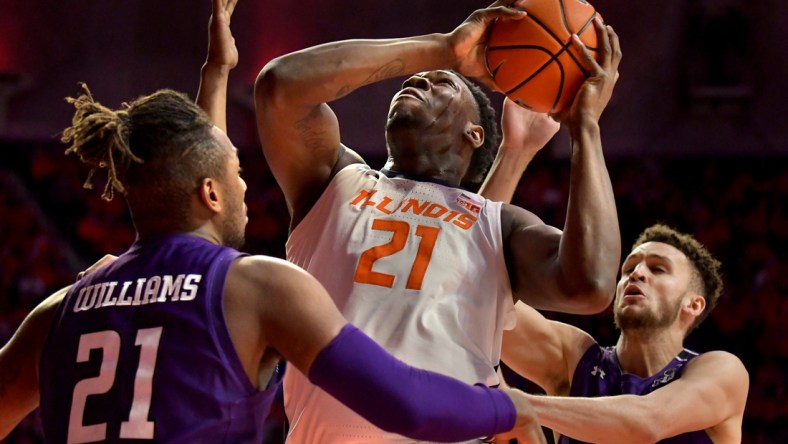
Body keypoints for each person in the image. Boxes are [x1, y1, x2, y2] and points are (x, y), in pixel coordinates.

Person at [0, 2, 550, 443]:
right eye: (238, 173)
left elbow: (197, 176)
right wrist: (509, 405)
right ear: (212, 193)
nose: (247, 186)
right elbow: (403, 401)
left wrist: (216, 74)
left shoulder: (60, 311)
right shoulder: (257, 288)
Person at [254, 0, 622, 441]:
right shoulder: (333, 183)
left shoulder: (498, 225)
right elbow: (280, 87)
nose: (417, 77)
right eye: (416, 76)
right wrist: (443, 51)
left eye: (441, 82)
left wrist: (585, 128)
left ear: (474, 133)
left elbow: (592, 284)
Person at [497, 224, 749, 443]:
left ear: (693, 304)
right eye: (628, 269)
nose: (636, 274)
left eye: (658, 269)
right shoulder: (575, 358)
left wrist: (513, 404)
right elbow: (489, 305)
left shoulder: (722, 370)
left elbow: (648, 422)